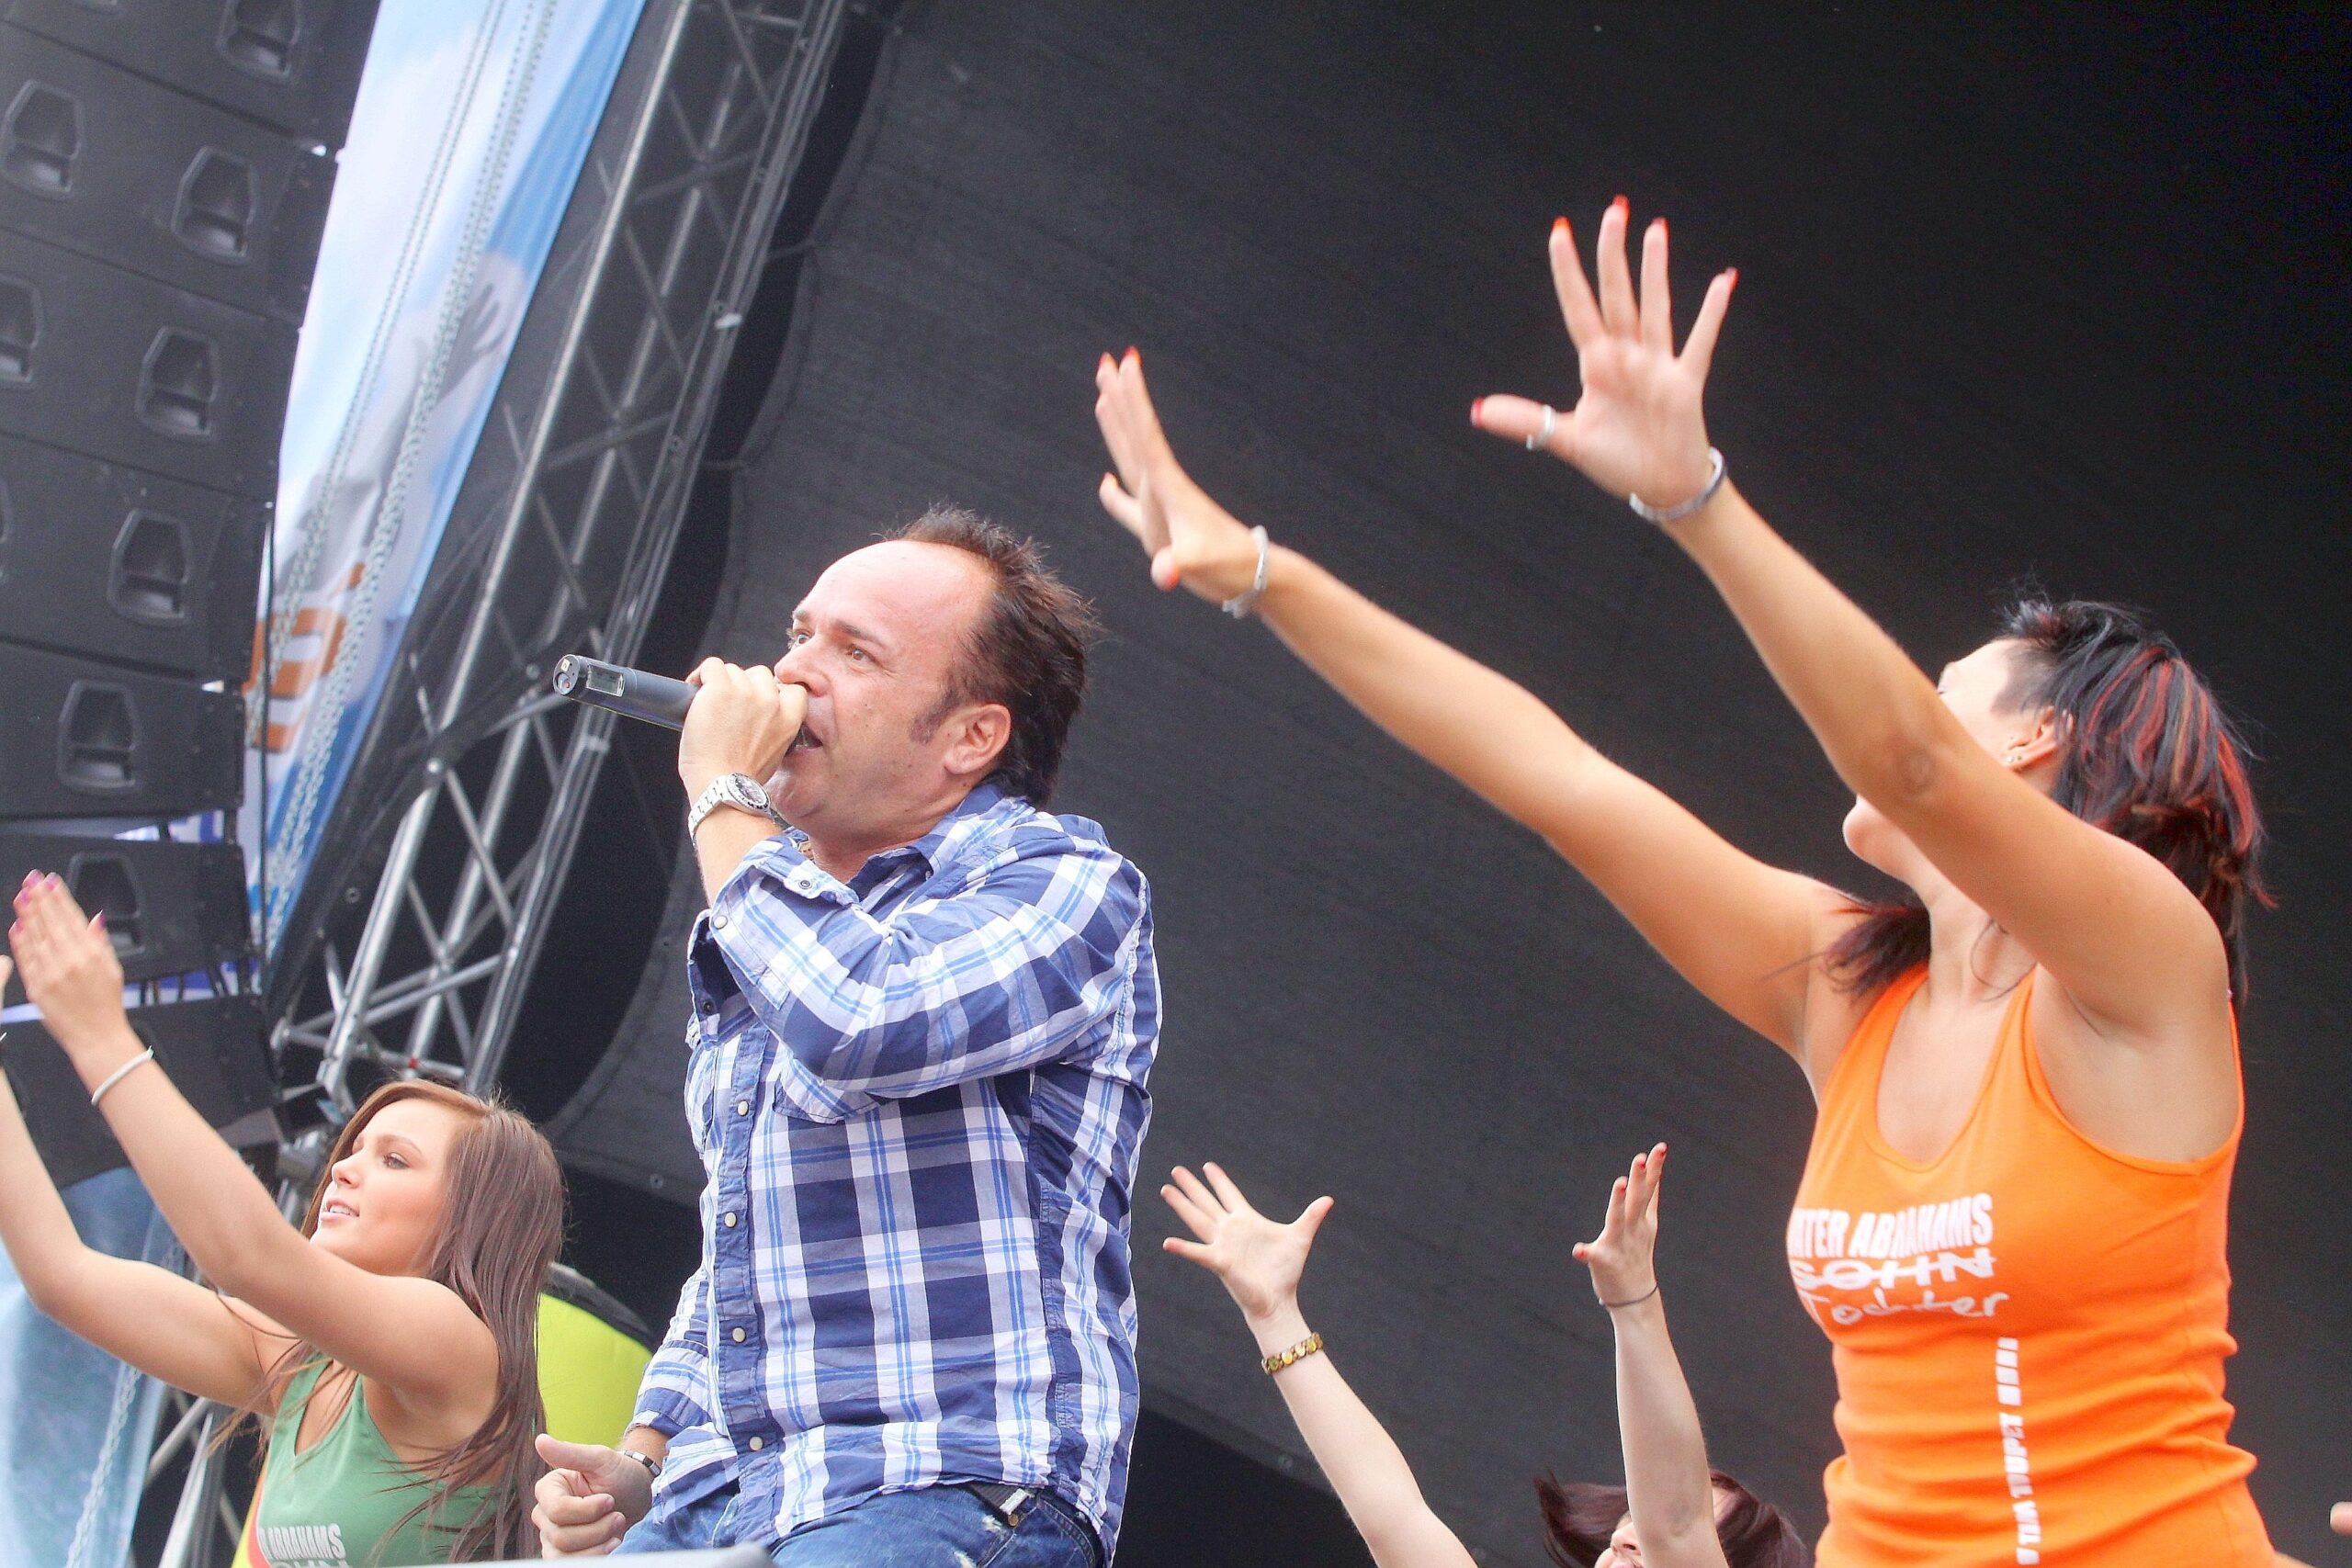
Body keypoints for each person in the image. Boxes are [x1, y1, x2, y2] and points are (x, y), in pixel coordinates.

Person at [1091, 197, 2269, 1563]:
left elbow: (1910, 759)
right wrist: (1265, 577)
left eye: (1957, 675)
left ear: (2035, 736)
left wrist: (1694, 499)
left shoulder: (2147, 973)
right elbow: (1562, 782)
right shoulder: (1849, 987)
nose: (1924, 686)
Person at [532, 507, 1159, 1565]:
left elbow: (858, 1023)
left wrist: (725, 791)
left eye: (854, 651)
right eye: (800, 633)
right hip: (730, 1489)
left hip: (943, 1482)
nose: (792, 673)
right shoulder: (772, 909)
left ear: (972, 736)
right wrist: (643, 1455)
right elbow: (747, 1237)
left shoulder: (1065, 887)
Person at [0, 872, 563, 1563]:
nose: (345, 1168)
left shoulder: (458, 1347)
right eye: (353, 1149)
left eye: (395, 1161)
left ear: (474, 1218)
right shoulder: (299, 1360)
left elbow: (249, 1256)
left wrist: (100, 1038)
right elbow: (62, 1275)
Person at [1160, 1145, 1805, 1568]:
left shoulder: (1672, 1525)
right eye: (1629, 1512)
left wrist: (1634, 1301)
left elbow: (1675, 1519)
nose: (1629, 1532)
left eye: (1697, 1537)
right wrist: (1275, 1315)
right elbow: (1391, 1512)